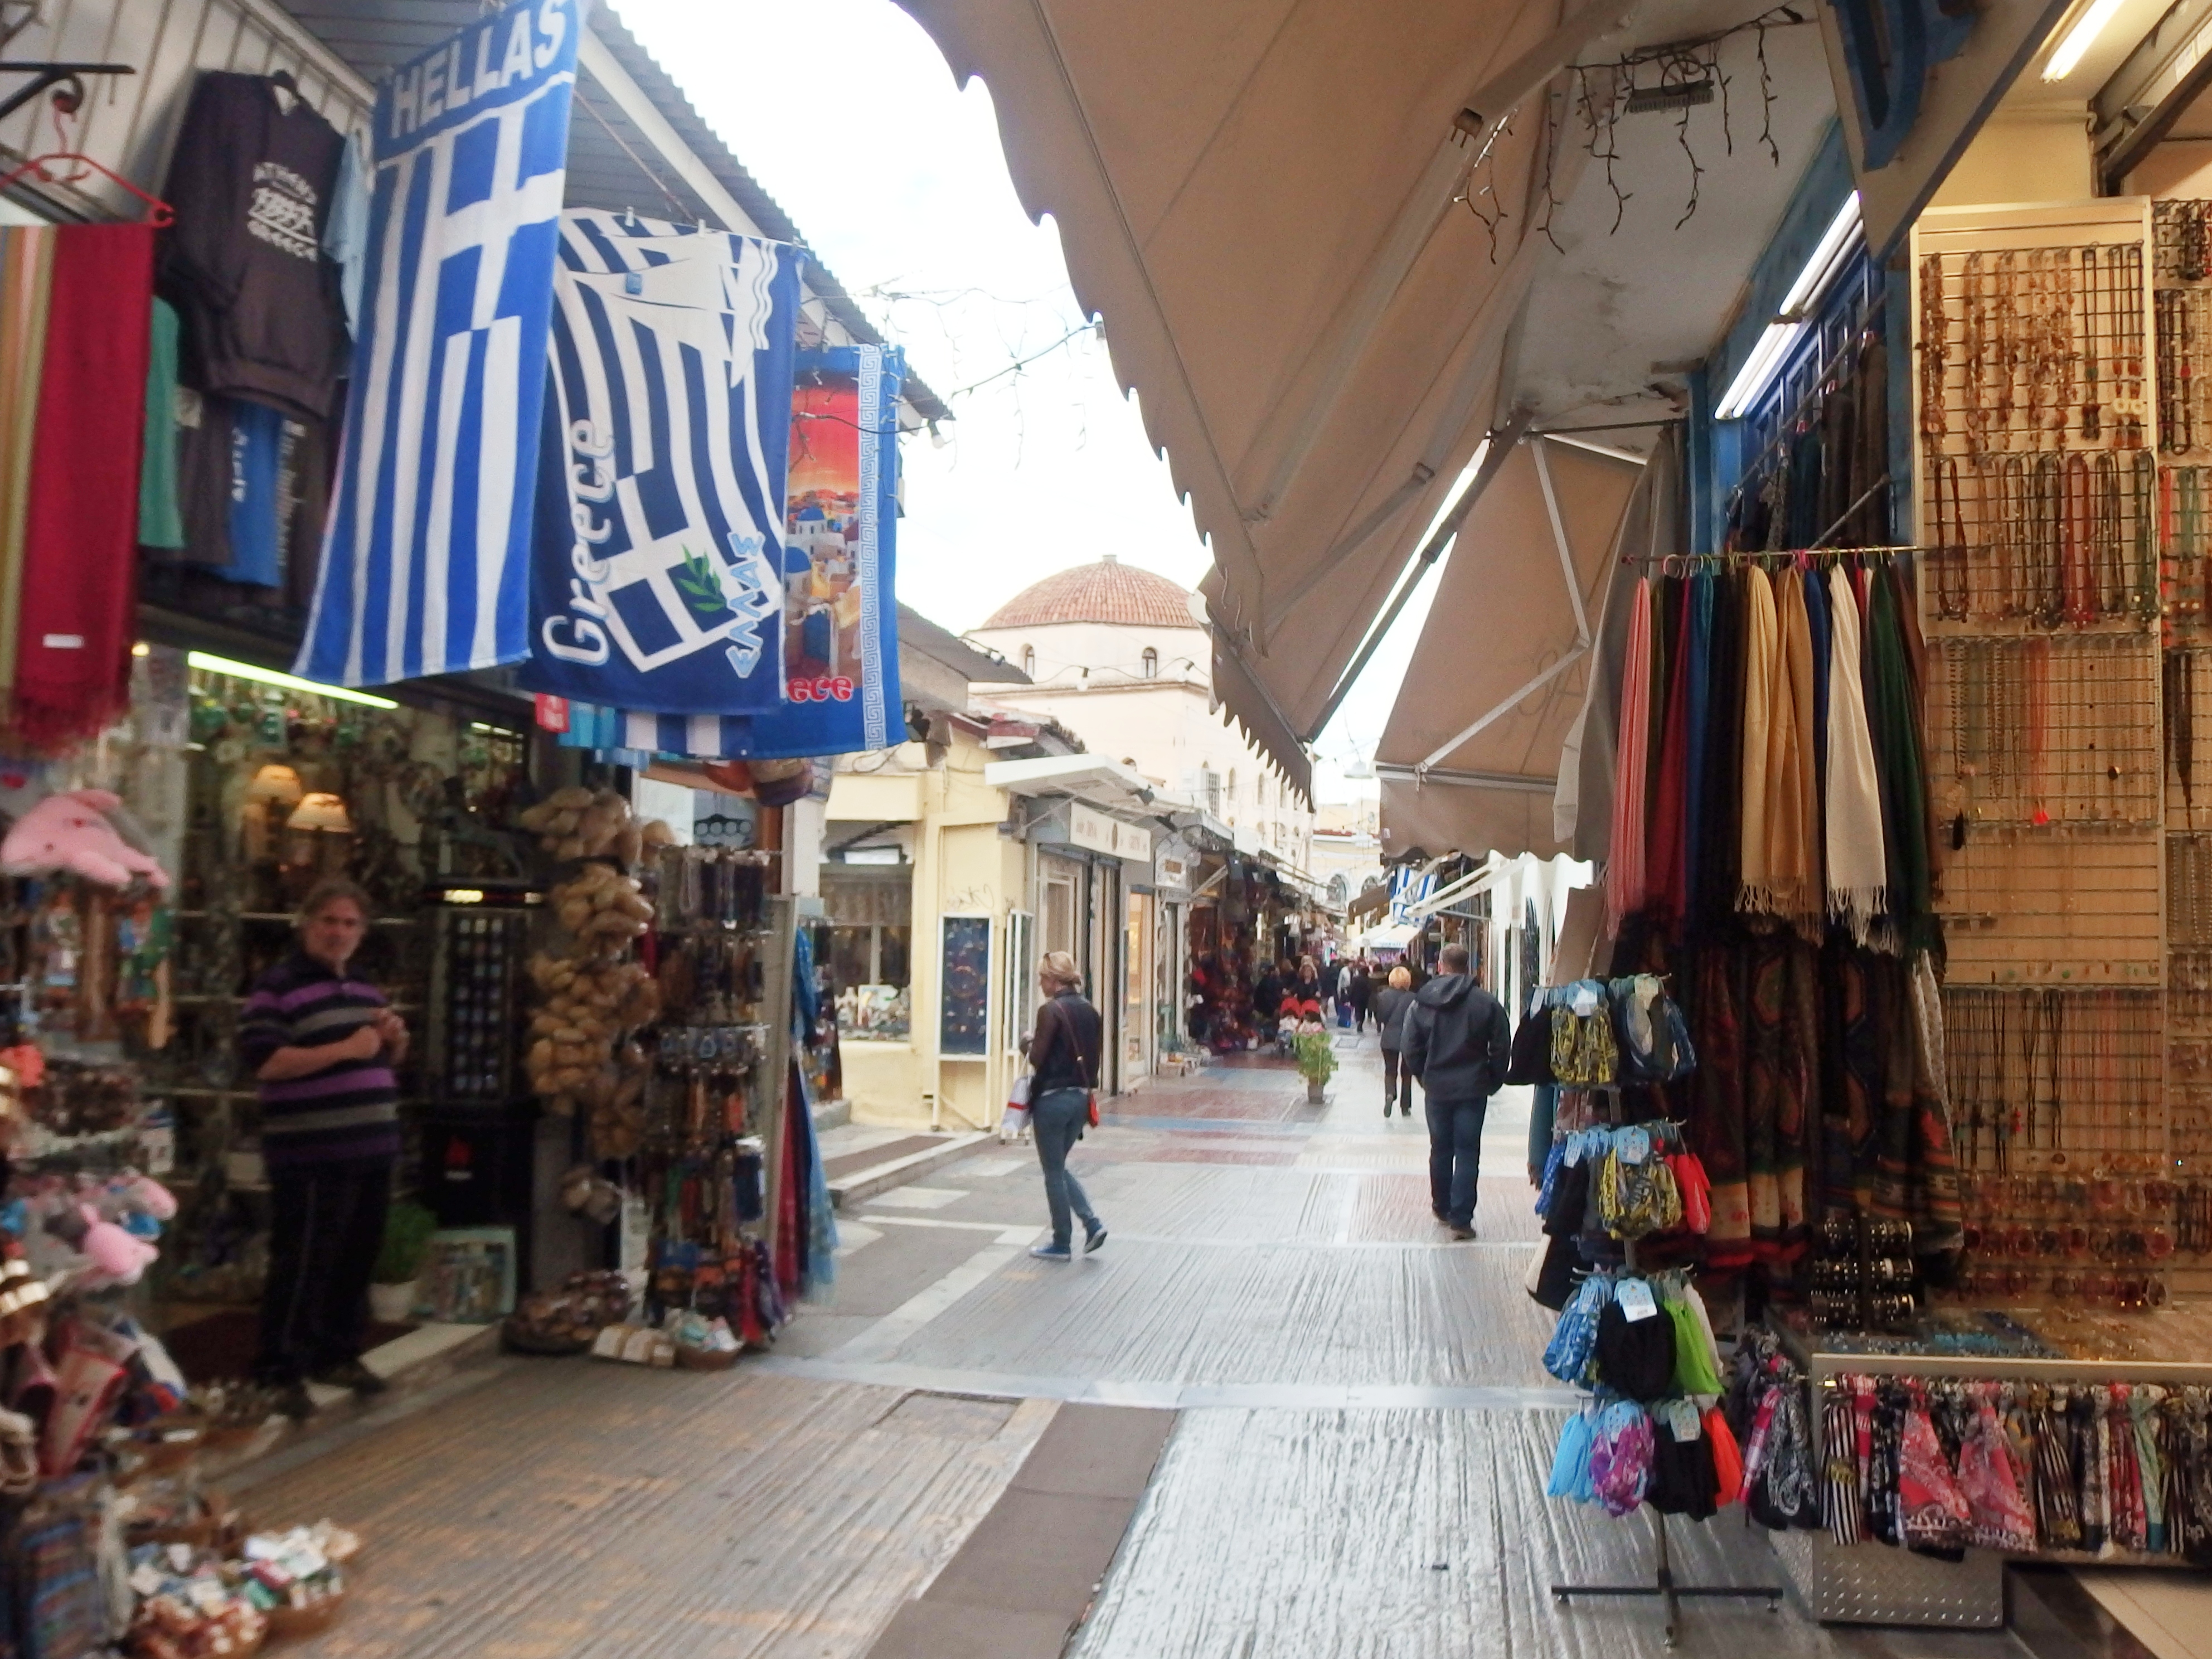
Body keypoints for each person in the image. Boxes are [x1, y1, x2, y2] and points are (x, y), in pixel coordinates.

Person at [238, 877, 408, 1418]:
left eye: (349, 923)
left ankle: (336, 1352)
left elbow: (377, 1062)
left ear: (361, 933)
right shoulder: (278, 986)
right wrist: (346, 1047)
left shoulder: (363, 989)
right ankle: (277, 1368)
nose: (338, 932)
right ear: (307, 925)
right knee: (304, 1259)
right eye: (328, 921)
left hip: (370, 1148)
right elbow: (266, 1061)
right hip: (309, 1153)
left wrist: (392, 1041)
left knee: (355, 1258)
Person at [1402, 943, 1510, 1240]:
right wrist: (1492, 1079)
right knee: (1467, 1151)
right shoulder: (1486, 1004)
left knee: (1440, 1148)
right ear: (1470, 967)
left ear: (1440, 966)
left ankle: (1442, 1205)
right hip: (1472, 1088)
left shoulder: (1422, 1003)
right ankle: (1462, 1219)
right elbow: (1501, 1046)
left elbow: (1410, 1046)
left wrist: (1424, 1076)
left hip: (1437, 1087)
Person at [1025, 950, 1107, 1261]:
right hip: (1080, 1099)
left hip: (1053, 1099)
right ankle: (1092, 1223)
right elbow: (1095, 1059)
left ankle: (1062, 1241)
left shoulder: (1051, 1011)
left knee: (1052, 1172)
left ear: (1054, 979)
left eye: (1043, 978)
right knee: (1058, 1167)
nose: (1040, 984)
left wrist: (1026, 1042)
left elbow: (1037, 1058)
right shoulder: (1090, 1011)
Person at [1372, 965, 1415, 1118]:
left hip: (1389, 1038)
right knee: (1407, 1073)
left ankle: (1390, 1094)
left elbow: (1380, 1018)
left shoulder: (1383, 996)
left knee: (1390, 1070)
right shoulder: (1413, 998)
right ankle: (1406, 1106)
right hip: (1408, 1039)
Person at [1347, 958, 1374, 1032]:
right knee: (1363, 1011)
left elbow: (1352, 989)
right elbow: (1370, 990)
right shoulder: (1369, 980)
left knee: (1358, 1011)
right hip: (1366, 998)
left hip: (1357, 998)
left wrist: (1350, 998)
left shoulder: (1356, 979)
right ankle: (1361, 1022)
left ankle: (1358, 1021)